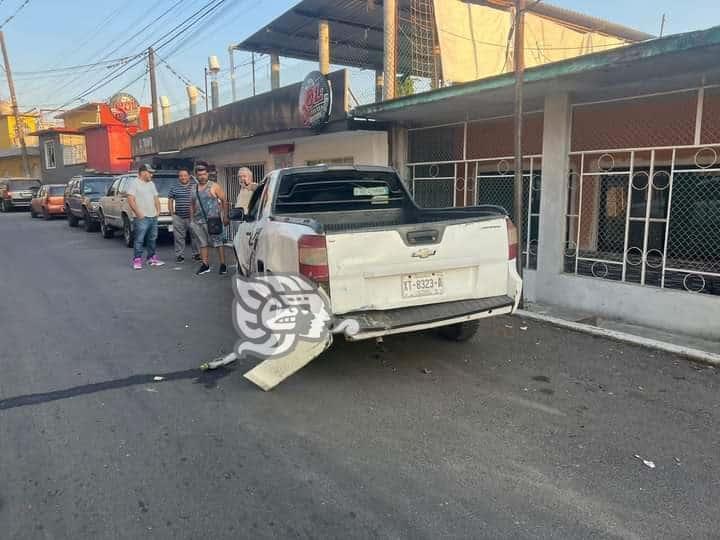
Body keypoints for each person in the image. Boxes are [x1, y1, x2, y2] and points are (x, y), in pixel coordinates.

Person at [190, 164, 229, 276]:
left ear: (207, 174)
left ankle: (223, 265)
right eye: (200, 174)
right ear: (196, 176)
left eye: (204, 174)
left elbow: (224, 200)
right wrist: (192, 220)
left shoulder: (214, 186)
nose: (202, 176)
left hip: (213, 220)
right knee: (202, 243)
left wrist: (225, 216)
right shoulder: (194, 188)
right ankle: (205, 264)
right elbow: (191, 204)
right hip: (198, 221)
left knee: (218, 242)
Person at [127, 164, 165, 270]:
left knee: (152, 238)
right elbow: (130, 199)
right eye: (150, 172)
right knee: (139, 239)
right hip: (142, 217)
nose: (151, 175)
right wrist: (138, 213)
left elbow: (155, 197)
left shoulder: (151, 184)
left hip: (153, 216)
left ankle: (151, 258)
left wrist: (158, 211)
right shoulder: (134, 183)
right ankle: (137, 260)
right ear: (143, 172)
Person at [168, 168, 199, 263]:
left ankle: (196, 254)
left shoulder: (195, 186)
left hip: (192, 217)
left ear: (189, 176)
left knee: (195, 236)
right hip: (179, 216)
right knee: (179, 237)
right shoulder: (174, 187)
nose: (183, 177)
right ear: (179, 177)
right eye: (181, 176)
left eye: (185, 175)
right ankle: (179, 255)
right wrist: (172, 214)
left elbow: (198, 199)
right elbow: (170, 200)